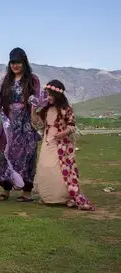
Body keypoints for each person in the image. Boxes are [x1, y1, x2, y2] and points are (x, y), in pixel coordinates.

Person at [0, 47, 41, 202]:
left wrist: (32, 105)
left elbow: (37, 99)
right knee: (6, 155)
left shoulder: (33, 79)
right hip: (8, 125)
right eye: (12, 62)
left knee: (27, 156)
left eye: (18, 62)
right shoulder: (5, 80)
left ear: (24, 62)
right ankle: (6, 190)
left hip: (25, 125)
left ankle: (27, 193)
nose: (15, 66)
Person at [31, 80, 95, 210]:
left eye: (50, 94)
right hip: (47, 142)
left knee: (59, 169)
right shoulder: (45, 109)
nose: (48, 97)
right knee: (45, 167)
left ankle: (63, 197)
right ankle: (48, 197)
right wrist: (33, 109)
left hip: (61, 145)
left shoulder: (66, 108)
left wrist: (63, 133)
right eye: (47, 94)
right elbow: (37, 123)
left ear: (57, 94)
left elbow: (72, 126)